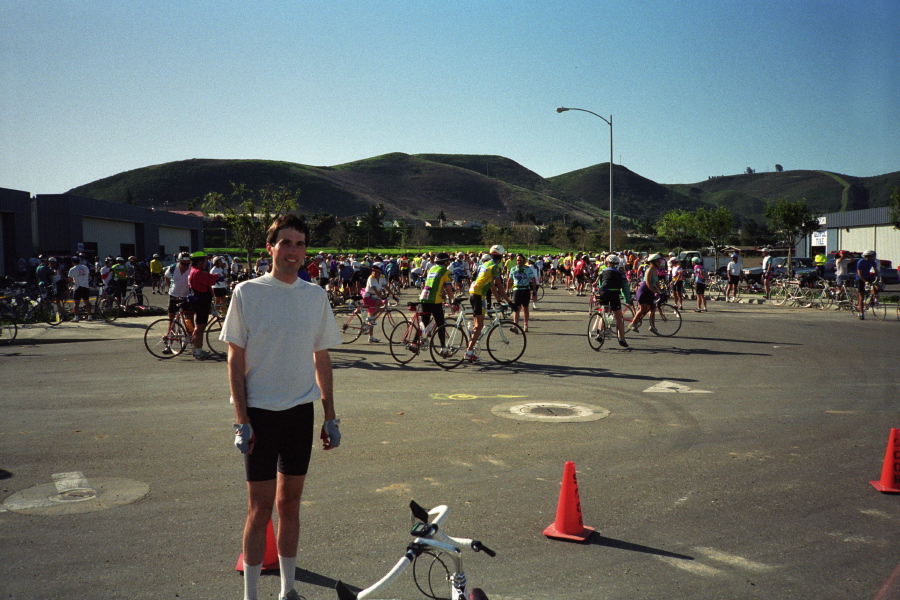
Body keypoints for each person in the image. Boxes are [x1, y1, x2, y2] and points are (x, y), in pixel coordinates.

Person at [221, 214, 342, 600]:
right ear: (270, 247)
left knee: (289, 504)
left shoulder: (315, 296)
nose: (293, 251)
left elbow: (321, 358)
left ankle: (288, 590)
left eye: (300, 244)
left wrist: (330, 416)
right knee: (259, 510)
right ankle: (251, 596)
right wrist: (241, 421)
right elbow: (234, 359)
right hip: (259, 414)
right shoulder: (247, 292)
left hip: (299, 414)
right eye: (286, 243)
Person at [465, 245, 513, 363]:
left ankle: (471, 345)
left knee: (477, 324)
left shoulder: (485, 264)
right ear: (501, 257)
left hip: (473, 292)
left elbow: (492, 286)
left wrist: (499, 300)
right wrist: (510, 302)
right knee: (479, 326)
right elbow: (500, 287)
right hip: (479, 295)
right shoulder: (495, 267)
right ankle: (469, 352)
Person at [187, 251, 221, 359]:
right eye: (205, 260)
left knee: (200, 326)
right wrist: (217, 275)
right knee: (200, 328)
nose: (206, 262)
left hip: (201, 301)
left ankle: (197, 348)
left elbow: (208, 276)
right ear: (200, 262)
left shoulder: (196, 271)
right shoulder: (197, 272)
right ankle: (198, 351)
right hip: (201, 302)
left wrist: (215, 276)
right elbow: (208, 281)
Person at [419, 252, 455, 352]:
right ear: (445, 262)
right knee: (441, 325)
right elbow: (448, 288)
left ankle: (415, 342)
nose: (448, 263)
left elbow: (432, 284)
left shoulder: (432, 269)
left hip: (424, 297)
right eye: (447, 261)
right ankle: (443, 348)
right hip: (435, 300)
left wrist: (442, 293)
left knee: (424, 323)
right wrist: (452, 300)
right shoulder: (445, 271)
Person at [593, 255, 628, 347]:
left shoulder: (602, 271)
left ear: (607, 263)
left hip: (603, 293)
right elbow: (625, 288)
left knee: (604, 313)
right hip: (614, 294)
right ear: (617, 264)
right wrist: (627, 299)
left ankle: (599, 333)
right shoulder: (620, 274)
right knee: (619, 317)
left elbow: (600, 283)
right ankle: (622, 339)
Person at [629, 253, 665, 335]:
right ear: (653, 262)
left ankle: (652, 326)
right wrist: (656, 291)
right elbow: (648, 283)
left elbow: (656, 282)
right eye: (658, 261)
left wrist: (661, 291)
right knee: (643, 309)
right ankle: (633, 323)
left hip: (650, 291)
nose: (660, 263)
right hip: (644, 291)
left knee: (652, 309)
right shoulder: (649, 270)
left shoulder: (655, 271)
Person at [506, 254, 537, 332]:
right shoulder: (513, 269)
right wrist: (507, 290)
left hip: (525, 289)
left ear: (523, 261)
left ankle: (525, 324)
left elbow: (533, 279)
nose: (519, 262)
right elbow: (509, 280)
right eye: (517, 260)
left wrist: (534, 289)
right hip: (516, 289)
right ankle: (515, 326)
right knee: (516, 308)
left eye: (520, 260)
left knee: (525, 308)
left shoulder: (528, 269)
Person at [361, 262, 388, 343]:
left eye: (376, 271)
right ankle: (370, 318)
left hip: (373, 297)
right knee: (382, 305)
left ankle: (371, 337)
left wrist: (393, 295)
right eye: (373, 271)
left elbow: (386, 286)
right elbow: (375, 290)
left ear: (380, 272)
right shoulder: (371, 278)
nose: (374, 273)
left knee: (372, 319)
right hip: (368, 297)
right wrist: (381, 297)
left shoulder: (382, 277)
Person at [68, 256, 93, 321]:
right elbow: (89, 275)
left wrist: (73, 282)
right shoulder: (85, 267)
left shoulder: (72, 269)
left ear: (73, 262)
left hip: (77, 287)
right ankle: (90, 316)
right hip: (85, 286)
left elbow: (70, 279)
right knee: (87, 302)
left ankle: (76, 317)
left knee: (76, 303)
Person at [855, 249, 879, 320]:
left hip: (868, 276)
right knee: (861, 296)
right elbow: (859, 273)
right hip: (860, 278)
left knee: (877, 287)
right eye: (872, 256)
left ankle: (872, 298)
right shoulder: (861, 262)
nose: (874, 257)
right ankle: (861, 313)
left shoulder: (872, 261)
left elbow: (876, 270)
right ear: (868, 256)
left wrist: (878, 277)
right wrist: (865, 281)